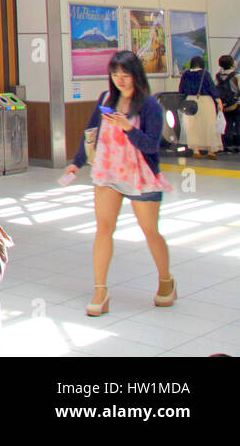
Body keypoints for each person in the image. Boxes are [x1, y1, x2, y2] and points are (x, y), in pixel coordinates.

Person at [63, 50, 176, 314]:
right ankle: (100, 291)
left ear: (136, 75)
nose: (120, 80)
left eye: (125, 74)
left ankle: (166, 281)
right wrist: (77, 162)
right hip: (108, 174)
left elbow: (150, 146)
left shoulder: (149, 105)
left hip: (142, 177)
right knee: (104, 229)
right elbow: (91, 133)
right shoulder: (106, 99)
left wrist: (128, 127)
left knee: (150, 231)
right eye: (115, 74)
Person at [178, 55, 220, 159]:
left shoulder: (186, 74)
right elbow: (212, 88)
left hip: (190, 102)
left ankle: (196, 150)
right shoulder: (205, 74)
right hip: (205, 102)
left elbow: (181, 89)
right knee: (208, 125)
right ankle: (211, 150)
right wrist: (218, 101)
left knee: (192, 127)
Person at [217, 55, 240, 153]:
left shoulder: (218, 76)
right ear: (231, 63)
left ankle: (227, 145)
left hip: (224, 105)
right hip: (236, 104)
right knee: (239, 124)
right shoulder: (236, 75)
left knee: (227, 125)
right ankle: (238, 145)